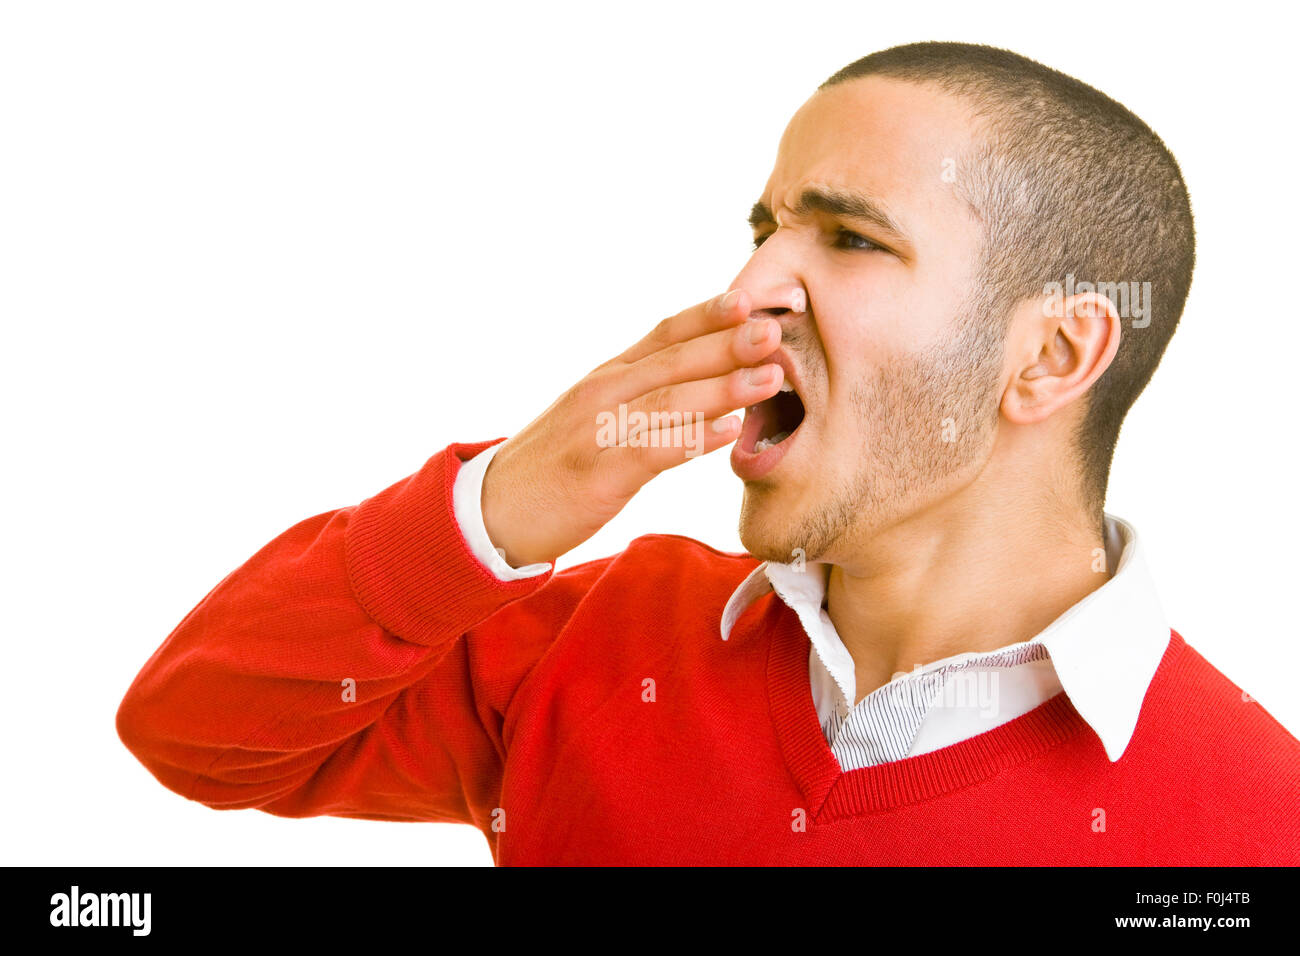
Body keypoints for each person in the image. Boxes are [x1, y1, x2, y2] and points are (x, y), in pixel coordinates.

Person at [116, 41, 1300, 864]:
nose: (749, 288)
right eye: (764, 229)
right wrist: (502, 504)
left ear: (1050, 353)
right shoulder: (592, 644)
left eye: (849, 237)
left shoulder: (1257, 823)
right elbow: (196, 732)